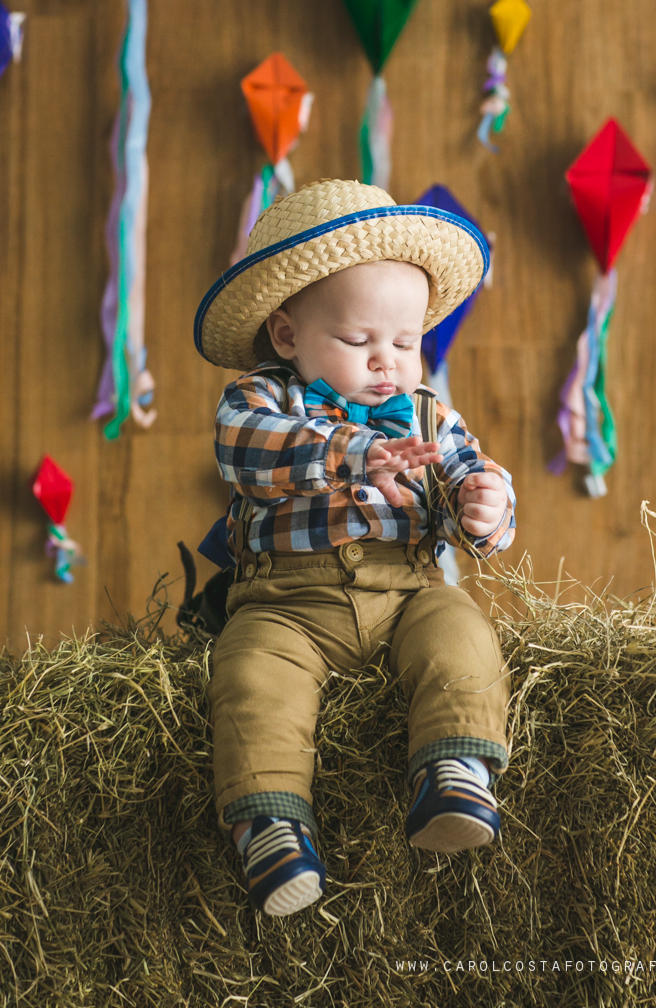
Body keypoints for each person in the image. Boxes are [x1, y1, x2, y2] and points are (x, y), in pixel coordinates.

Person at [193, 179, 516, 917]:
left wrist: (485, 508)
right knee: (250, 676)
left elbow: (477, 481)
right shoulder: (261, 398)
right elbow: (243, 451)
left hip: (406, 596)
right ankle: (270, 824)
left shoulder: (432, 417)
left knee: (460, 628)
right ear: (287, 336)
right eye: (359, 341)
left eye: (405, 344)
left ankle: (456, 767)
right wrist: (348, 452)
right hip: (285, 607)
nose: (387, 364)